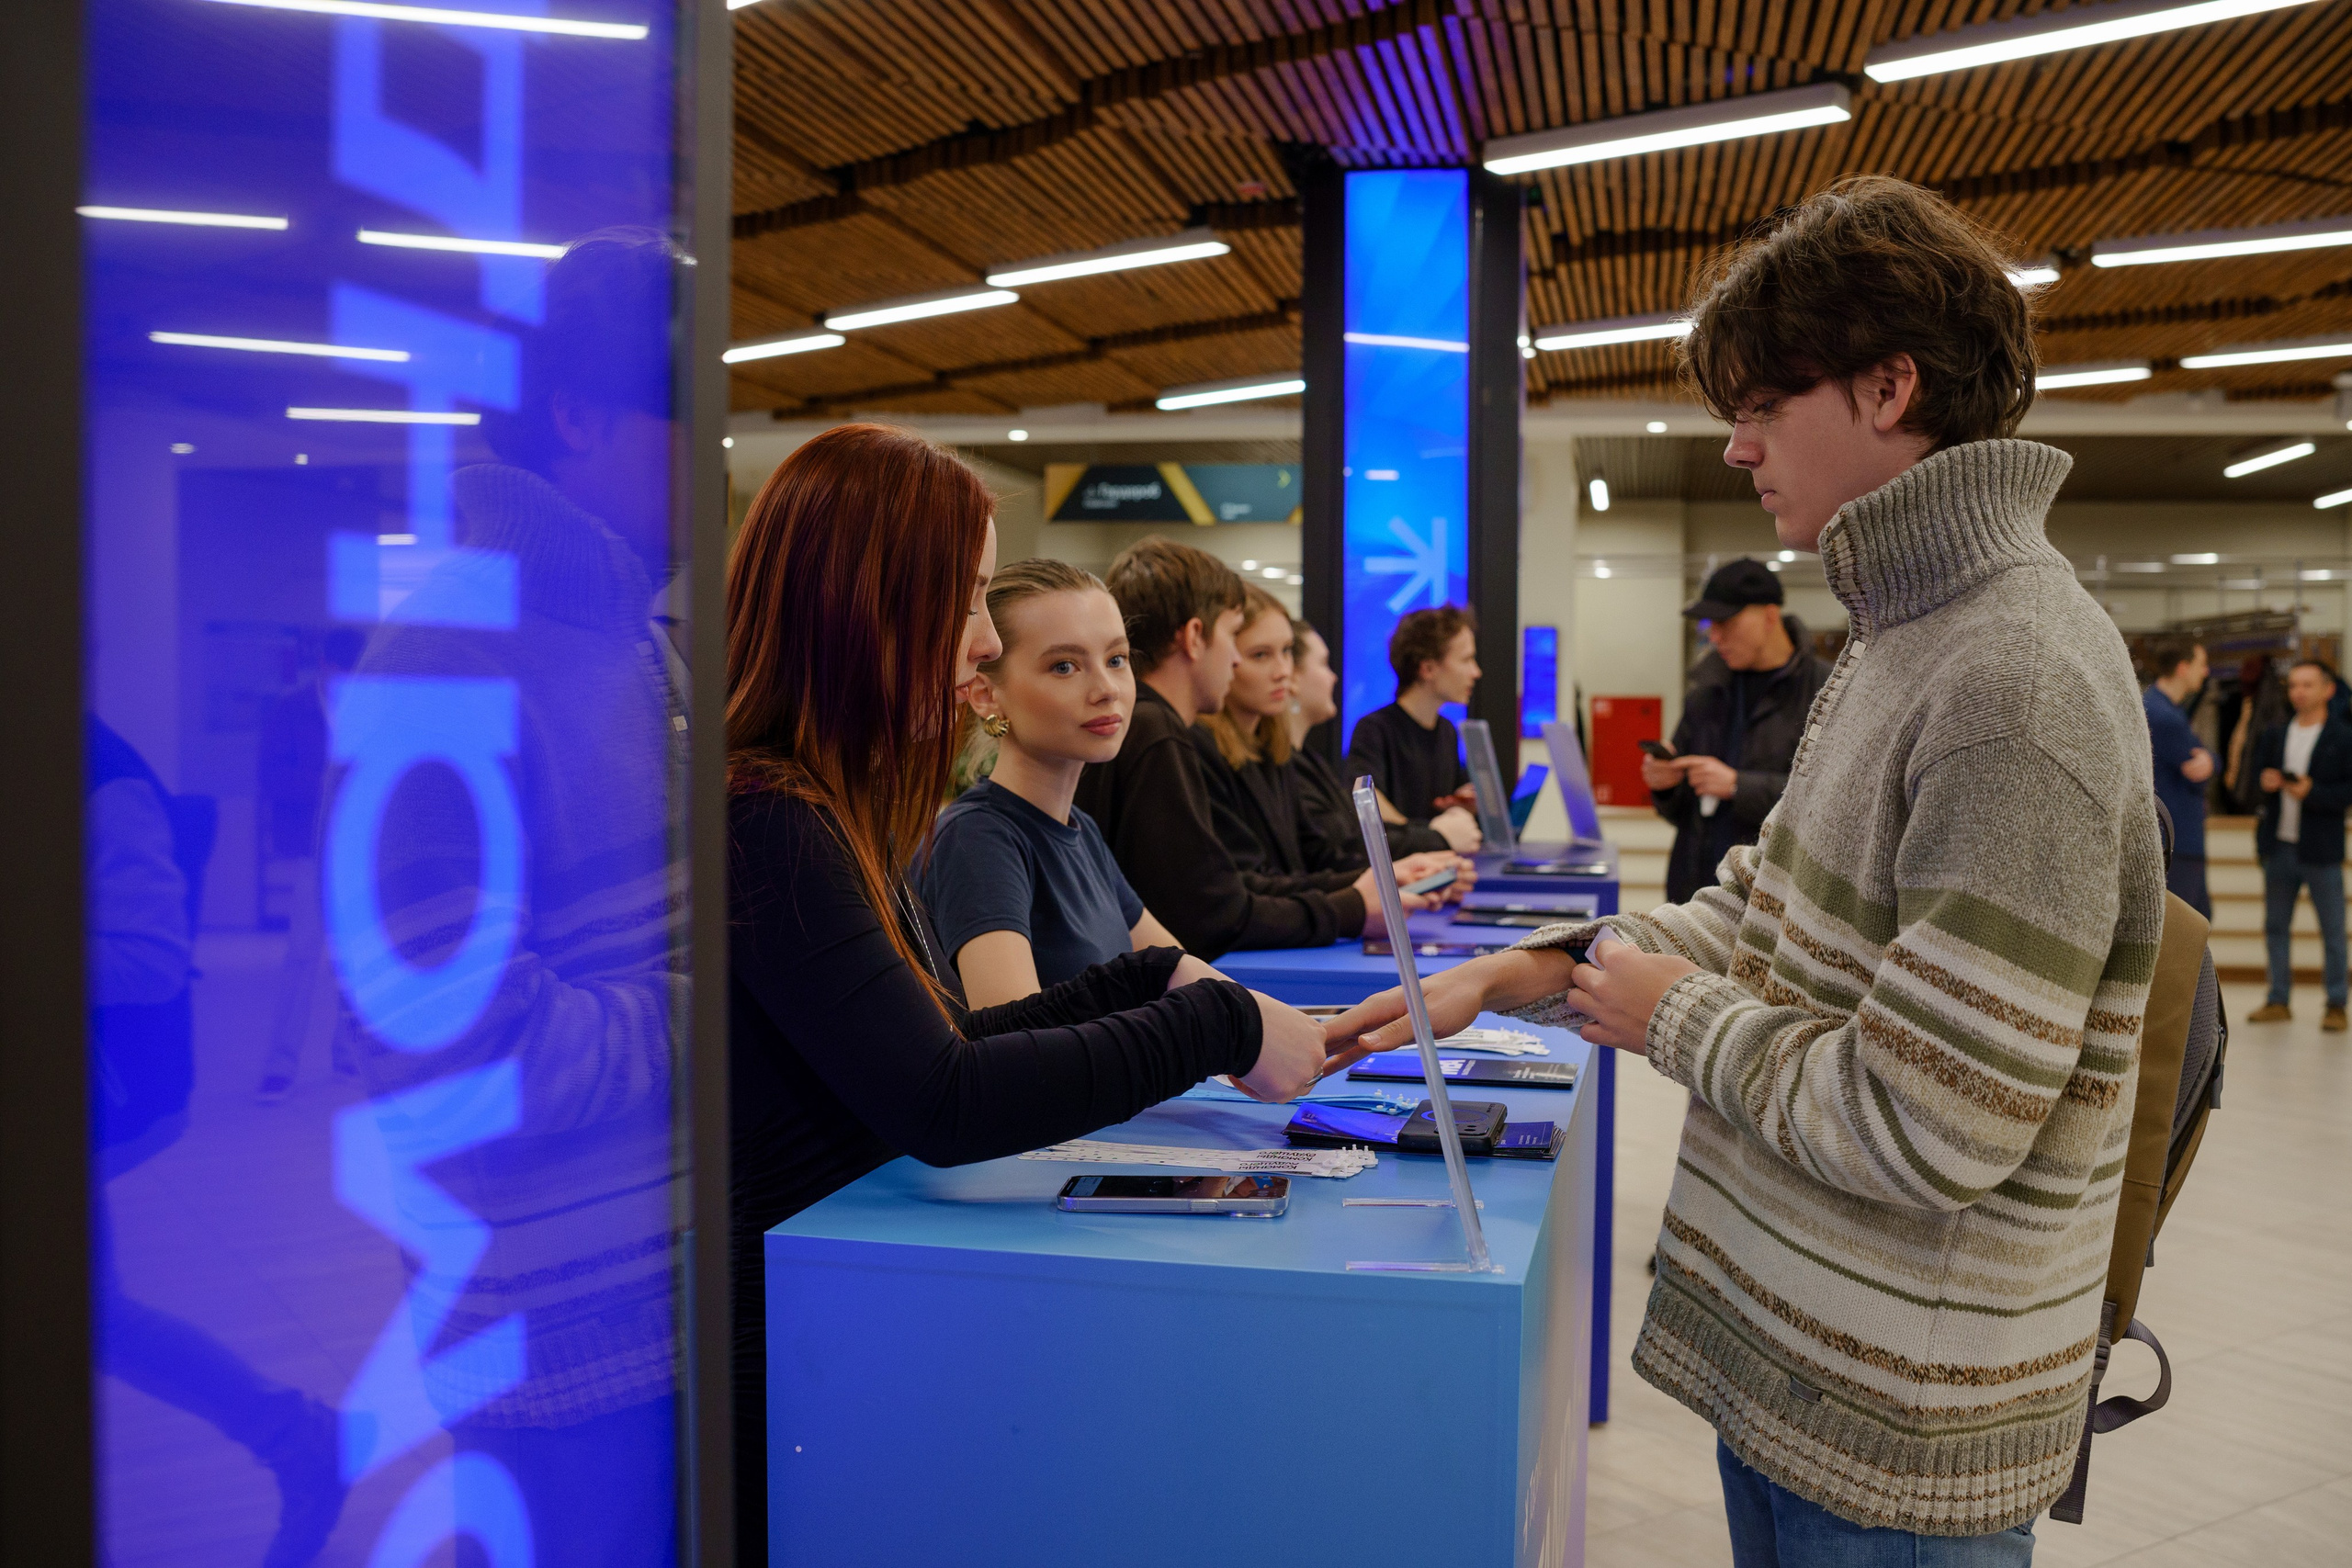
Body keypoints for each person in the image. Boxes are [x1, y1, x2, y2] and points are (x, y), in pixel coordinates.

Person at [1326, 176, 2164, 1562]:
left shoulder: (2012, 677)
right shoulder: (1906, 634)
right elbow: (1762, 910)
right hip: (1810, 1361)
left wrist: (1668, 1014)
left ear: (1889, 385)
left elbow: (1931, 1124)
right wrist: (1534, 970)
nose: (1736, 446)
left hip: (1893, 1420)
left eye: (1765, 405)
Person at [727, 427, 1351, 1564]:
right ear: (866, 605)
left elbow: (949, 1039)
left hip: (848, 1304)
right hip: (802, 1344)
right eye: (963, 598)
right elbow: (945, 1097)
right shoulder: (774, 819)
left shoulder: (825, 810)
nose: (978, 640)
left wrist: (1155, 979)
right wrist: (1209, 1020)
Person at [1074, 537, 1435, 957]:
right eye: (1235, 638)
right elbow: (1214, 915)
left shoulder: (1156, 728)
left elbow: (1224, 892)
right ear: (1194, 637)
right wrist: (1349, 908)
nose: (1234, 660)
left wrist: (1360, 891)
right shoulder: (1157, 730)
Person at [918, 558, 1189, 1004]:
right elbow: (1015, 1028)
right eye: (1064, 666)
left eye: (1116, 660)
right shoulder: (976, 839)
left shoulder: (1080, 831)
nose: (1107, 688)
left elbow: (1185, 976)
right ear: (986, 695)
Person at [1194, 583, 1464, 893]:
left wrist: (1403, 878)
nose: (1283, 671)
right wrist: (1421, 850)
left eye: (1286, 652)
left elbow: (1317, 858)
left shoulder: (1277, 757)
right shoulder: (1207, 753)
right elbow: (1254, 888)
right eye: (1260, 655)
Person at [1642, 558, 1830, 904]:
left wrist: (1738, 786)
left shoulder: (1826, 691)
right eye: (1711, 625)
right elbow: (1681, 811)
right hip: (1695, 891)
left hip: (1775, 899)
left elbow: (1831, 800)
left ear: (1770, 616)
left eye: (1726, 622)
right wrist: (1666, 785)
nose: (1715, 636)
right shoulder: (1706, 690)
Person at [1285, 620, 1452, 861]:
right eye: (1323, 663)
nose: (1333, 677)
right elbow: (1352, 834)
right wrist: (1433, 836)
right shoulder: (1373, 728)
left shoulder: (1312, 763)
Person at [2247, 658, 2352, 1029]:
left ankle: (2336, 1004)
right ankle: (2278, 999)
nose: (2298, 692)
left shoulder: (2343, 736)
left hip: (2321, 849)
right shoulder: (2276, 733)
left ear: (2328, 689)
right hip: (2279, 845)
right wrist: (2266, 782)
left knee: (2332, 930)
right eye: (2293, 685)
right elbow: (2254, 782)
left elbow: (2347, 792)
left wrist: (2313, 792)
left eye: (2307, 685)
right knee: (2275, 926)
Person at [1345, 604, 1484, 851]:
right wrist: (1432, 835)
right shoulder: (1374, 729)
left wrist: (1458, 804)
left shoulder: (1447, 731)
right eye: (1466, 660)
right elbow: (1368, 804)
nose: (1476, 672)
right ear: (1427, 668)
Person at [2143, 639, 2216, 918]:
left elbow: (2204, 759)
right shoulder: (2164, 716)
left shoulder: (2158, 707)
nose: (2206, 672)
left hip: (2171, 836)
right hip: (2176, 838)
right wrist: (2211, 762)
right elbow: (2197, 773)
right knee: (2185, 924)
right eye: (2202, 665)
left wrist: (2210, 760)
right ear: (2183, 668)